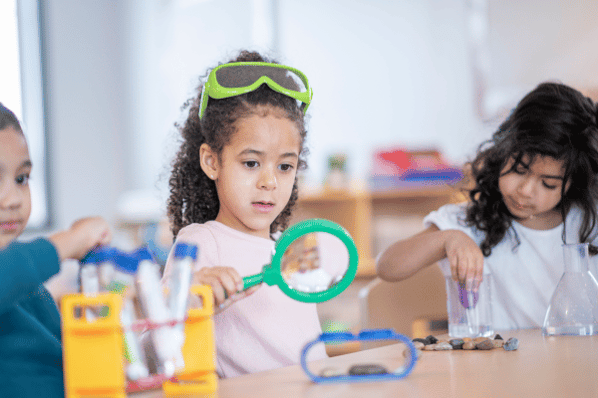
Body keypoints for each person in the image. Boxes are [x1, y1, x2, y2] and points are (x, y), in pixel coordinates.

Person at [376, 82, 598, 331]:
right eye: (519, 170)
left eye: (548, 183)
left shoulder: (589, 224)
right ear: (503, 153)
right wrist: (447, 239)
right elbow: (387, 266)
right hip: (498, 367)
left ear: (572, 184)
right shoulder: (471, 222)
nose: (525, 190)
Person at [162, 50, 327, 378]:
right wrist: (190, 296)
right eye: (251, 163)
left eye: (285, 166)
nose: (269, 182)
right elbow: (158, 337)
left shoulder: (289, 249)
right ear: (212, 162)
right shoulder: (200, 242)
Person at [0, 103, 112, 397]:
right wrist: (67, 241)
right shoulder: (15, 274)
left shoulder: (33, 290)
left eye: (21, 179)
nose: (12, 199)